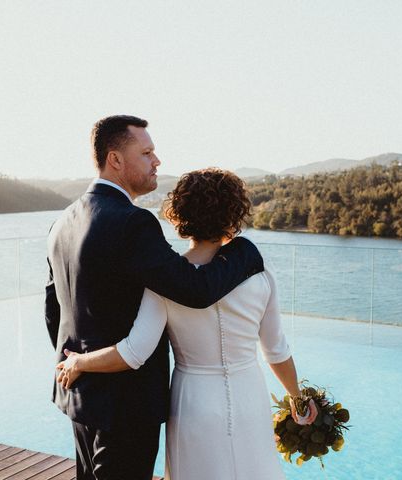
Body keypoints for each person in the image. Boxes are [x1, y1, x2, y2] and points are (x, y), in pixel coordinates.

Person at [45, 116, 264, 480]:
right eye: (146, 153)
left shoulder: (62, 222)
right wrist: (244, 252)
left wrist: (77, 362)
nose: (156, 162)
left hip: (79, 395)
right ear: (115, 159)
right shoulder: (134, 223)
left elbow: (54, 311)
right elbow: (194, 290)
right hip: (127, 407)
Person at [56, 168, 312, 480]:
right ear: (235, 213)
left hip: (193, 401)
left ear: (180, 216)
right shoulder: (259, 271)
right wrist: (297, 398)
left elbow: (134, 352)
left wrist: (81, 361)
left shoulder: (165, 280)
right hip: (249, 396)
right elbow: (276, 350)